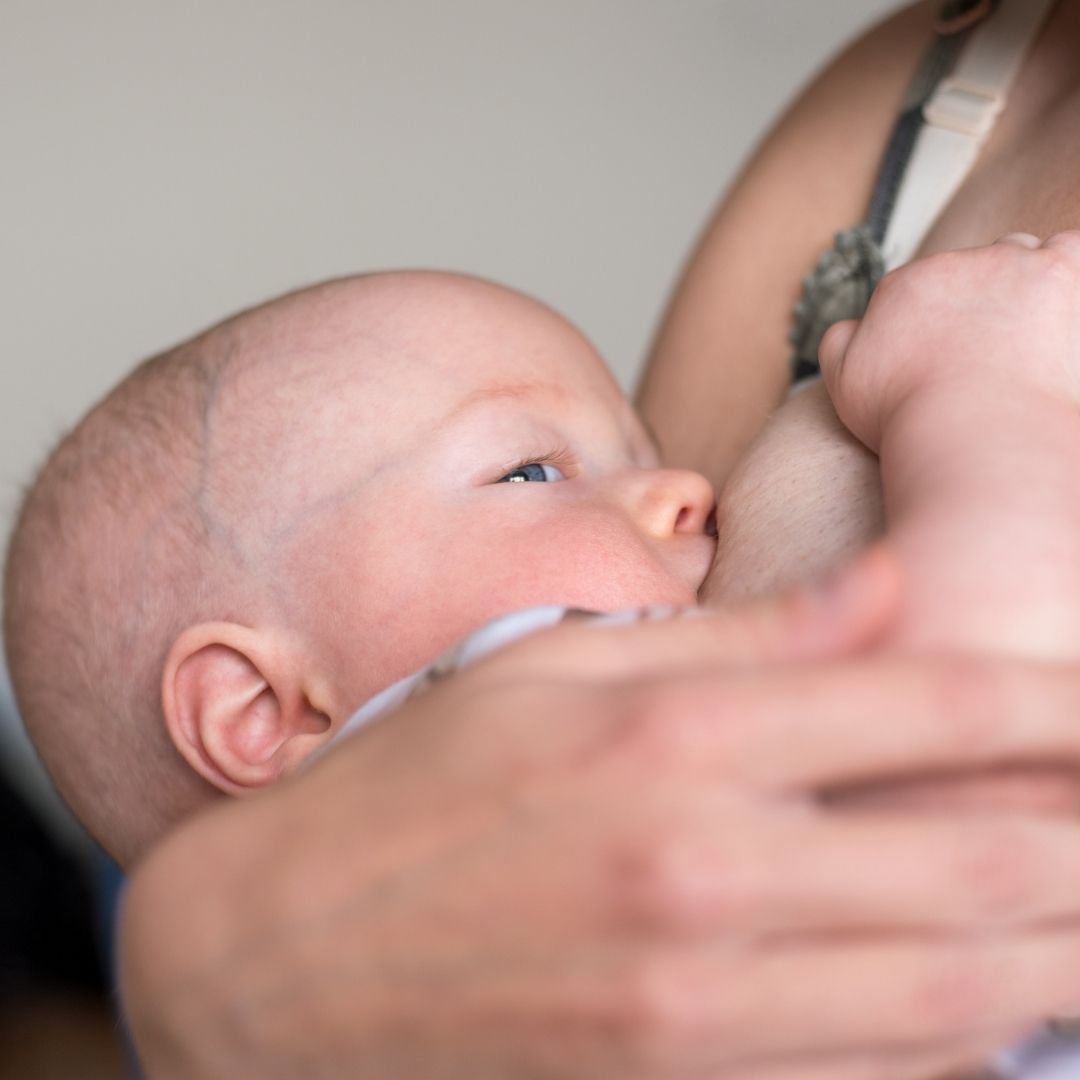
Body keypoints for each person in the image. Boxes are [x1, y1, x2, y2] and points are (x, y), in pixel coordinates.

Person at [33, 0, 1080, 1074]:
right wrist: (986, 399)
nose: (687, 487)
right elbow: (989, 719)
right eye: (532, 471)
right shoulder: (477, 741)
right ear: (262, 709)